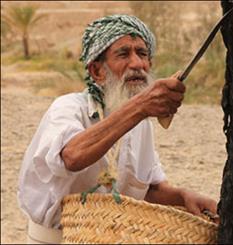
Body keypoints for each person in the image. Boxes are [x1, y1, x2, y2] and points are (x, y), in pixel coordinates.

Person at [17, 14, 218, 244]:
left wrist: (183, 196)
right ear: (96, 71)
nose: (137, 64)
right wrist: (141, 106)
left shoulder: (140, 123)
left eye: (142, 54)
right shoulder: (68, 108)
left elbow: (147, 190)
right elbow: (71, 156)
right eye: (123, 54)